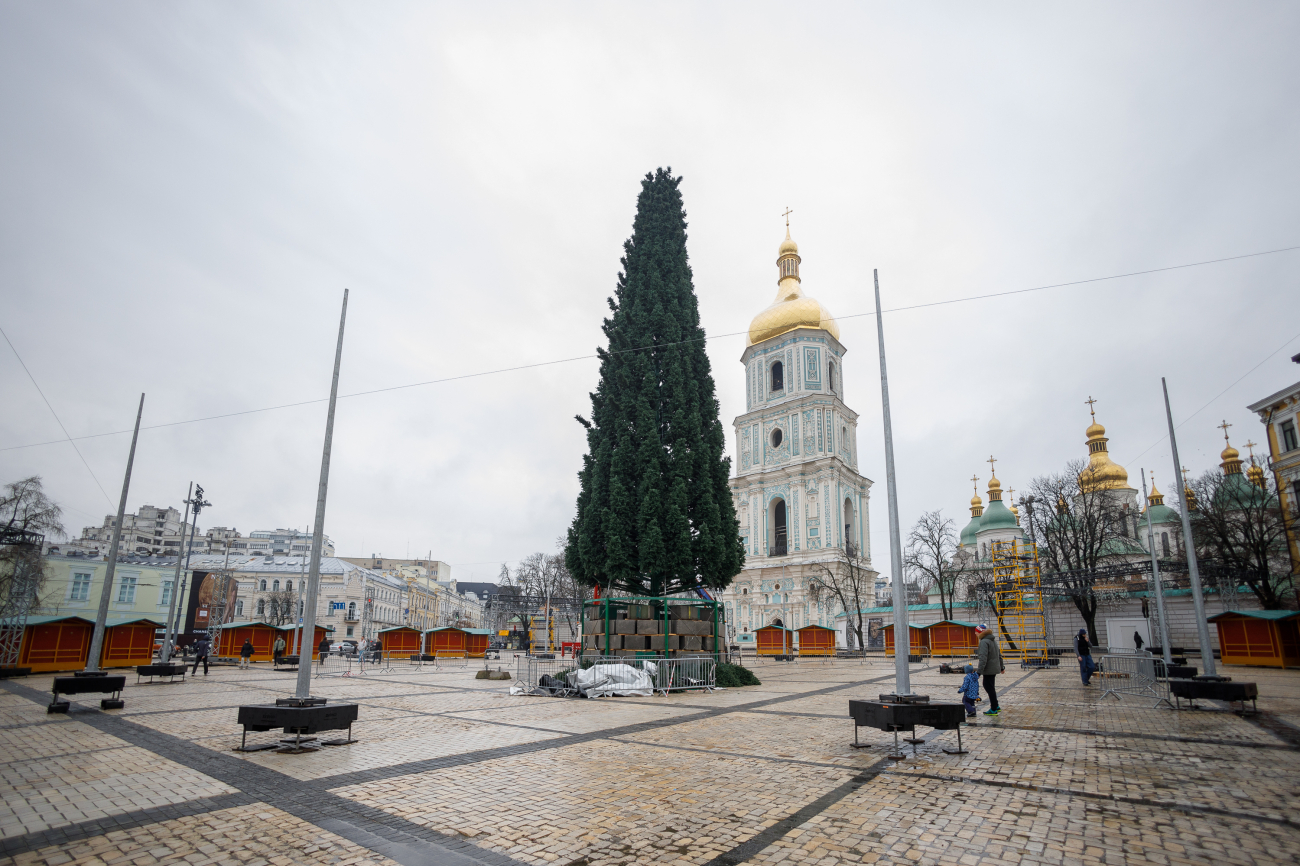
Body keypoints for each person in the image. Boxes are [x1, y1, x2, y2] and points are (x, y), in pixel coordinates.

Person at [975, 624, 1004, 715]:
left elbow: (983, 658)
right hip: (994, 667)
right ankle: (996, 706)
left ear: (980, 632)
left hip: (989, 669)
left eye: (976, 632)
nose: (975, 633)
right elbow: (999, 655)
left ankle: (994, 708)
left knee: (988, 687)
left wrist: (979, 672)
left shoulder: (984, 642)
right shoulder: (992, 640)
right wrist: (1002, 666)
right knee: (991, 687)